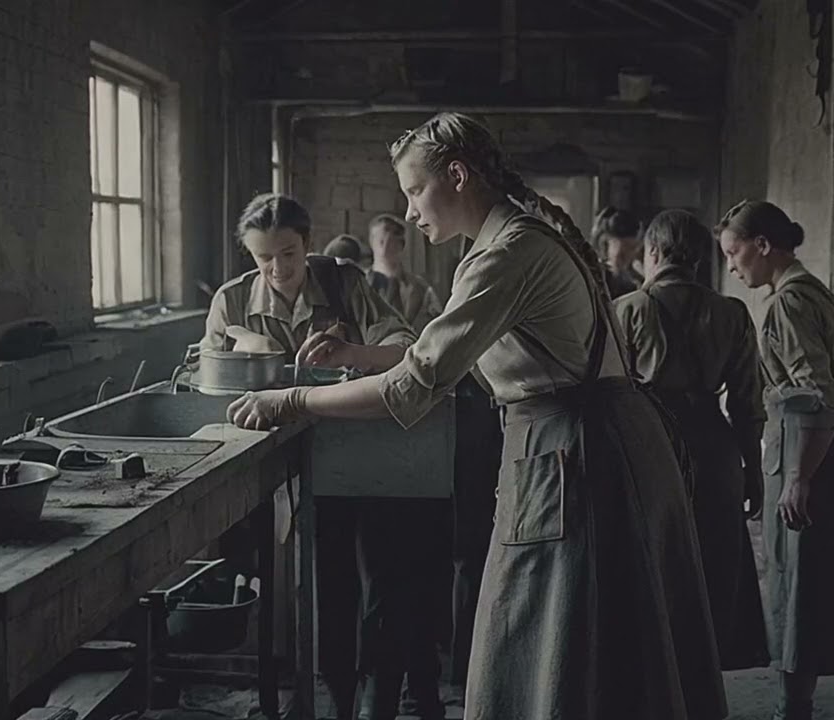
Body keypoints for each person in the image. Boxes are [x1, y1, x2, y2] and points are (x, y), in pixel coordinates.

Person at [226, 113, 726, 720]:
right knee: (591, 650)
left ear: (457, 176)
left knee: (570, 647)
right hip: (590, 444)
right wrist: (356, 354)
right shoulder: (514, 238)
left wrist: (292, 399)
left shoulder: (507, 254)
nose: (409, 211)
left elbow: (412, 387)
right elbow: (441, 357)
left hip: (581, 454)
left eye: (414, 190)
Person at [201, 193, 417, 720]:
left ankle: (379, 693)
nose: (278, 268)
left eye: (290, 253)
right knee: (325, 585)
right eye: (263, 257)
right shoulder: (231, 303)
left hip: (361, 452)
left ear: (307, 244)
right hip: (286, 467)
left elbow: (408, 349)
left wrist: (354, 353)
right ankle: (339, 696)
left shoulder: (343, 284)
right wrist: (247, 355)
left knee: (381, 578)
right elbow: (206, 388)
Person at [717, 200, 834, 720]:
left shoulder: (788, 305)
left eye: (734, 253)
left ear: (762, 246)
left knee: (799, 591)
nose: (732, 266)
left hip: (816, 460)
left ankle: (793, 710)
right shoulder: (816, 292)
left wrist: (798, 477)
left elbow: (816, 396)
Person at [613, 209, 770, 673]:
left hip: (649, 447)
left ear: (654, 253)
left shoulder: (627, 310)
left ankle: (655, 681)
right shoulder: (732, 313)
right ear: (701, 259)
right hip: (716, 451)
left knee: (651, 568)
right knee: (713, 569)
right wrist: (752, 471)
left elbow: (607, 398)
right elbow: (747, 402)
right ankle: (705, 680)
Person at [367, 214, 445, 334]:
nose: (385, 247)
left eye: (391, 241)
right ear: (372, 242)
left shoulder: (421, 288)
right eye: (381, 240)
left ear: (401, 245)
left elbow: (438, 325)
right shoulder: (360, 284)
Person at [591, 205, 644, 298]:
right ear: (605, 245)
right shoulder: (593, 279)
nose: (630, 255)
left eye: (633, 248)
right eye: (625, 248)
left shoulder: (636, 281)